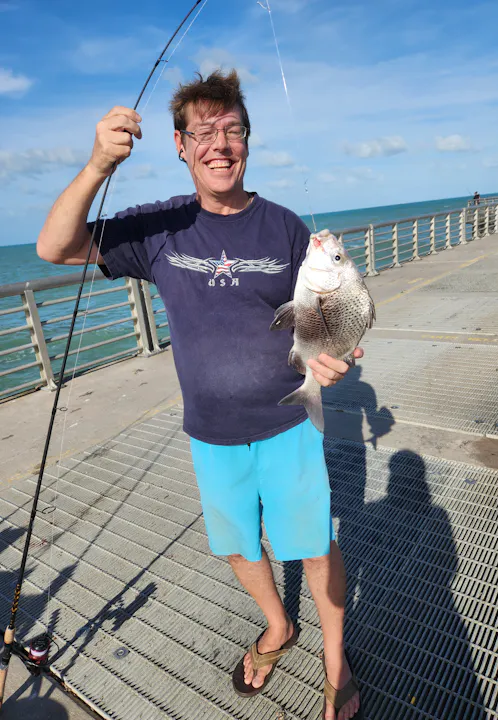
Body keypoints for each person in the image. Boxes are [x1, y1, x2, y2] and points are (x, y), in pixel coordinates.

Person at [36, 70, 364, 720]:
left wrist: (337, 352)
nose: (220, 144)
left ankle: (335, 659)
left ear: (248, 142)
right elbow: (54, 246)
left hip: (289, 422)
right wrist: (100, 163)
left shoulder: (286, 228)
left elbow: (332, 317)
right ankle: (278, 625)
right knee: (240, 545)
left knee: (314, 545)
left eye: (233, 130)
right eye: (204, 133)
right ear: (181, 146)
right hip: (210, 432)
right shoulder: (159, 227)